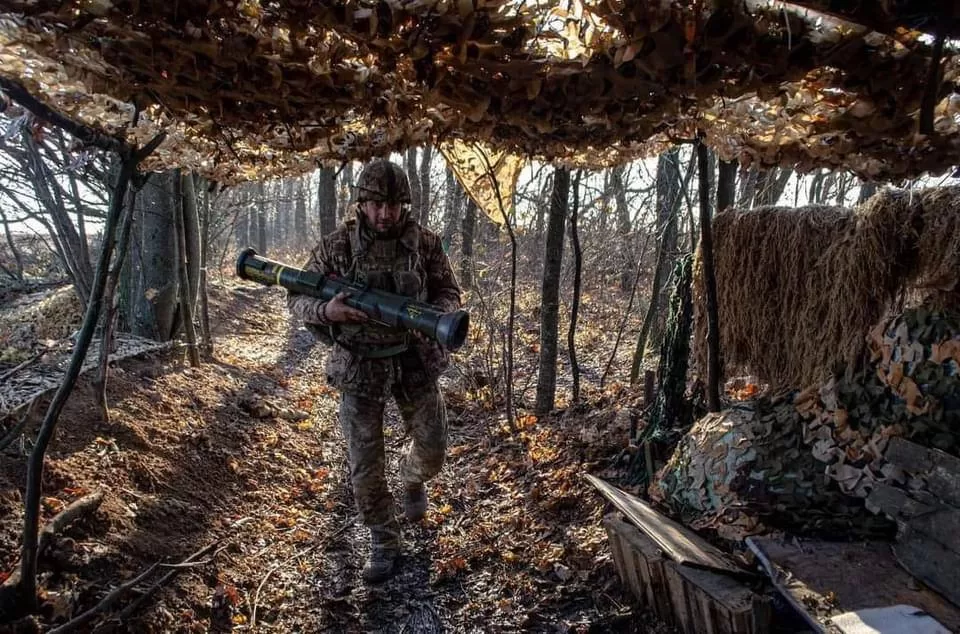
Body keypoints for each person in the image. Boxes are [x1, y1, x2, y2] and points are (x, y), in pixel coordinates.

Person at [287, 158, 462, 583]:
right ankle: (384, 541)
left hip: (413, 357)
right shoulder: (336, 247)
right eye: (375, 204)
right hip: (358, 364)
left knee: (434, 445)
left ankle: (412, 478)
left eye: (393, 205)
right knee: (365, 464)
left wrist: (434, 314)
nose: (384, 214)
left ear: (404, 205)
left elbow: (449, 291)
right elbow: (296, 296)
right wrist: (327, 311)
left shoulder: (426, 244)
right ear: (361, 204)